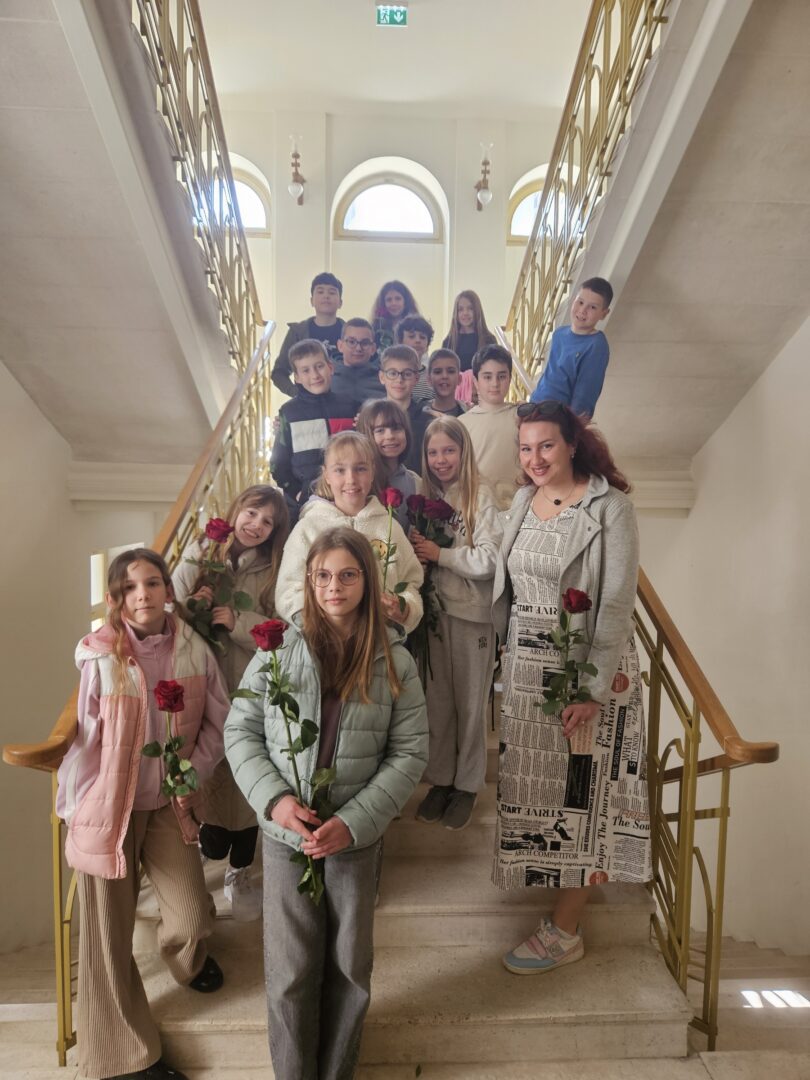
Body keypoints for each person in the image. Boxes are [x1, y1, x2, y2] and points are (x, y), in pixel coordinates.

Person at [225, 527, 429, 1080]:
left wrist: (354, 822)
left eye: (347, 575)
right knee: (290, 970)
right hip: (287, 835)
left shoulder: (394, 660)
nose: (333, 587)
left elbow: (410, 752)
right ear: (308, 581)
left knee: (349, 967)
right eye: (322, 576)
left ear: (367, 580)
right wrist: (275, 802)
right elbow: (240, 732)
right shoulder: (277, 650)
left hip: (353, 840)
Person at [56, 549, 230, 1080]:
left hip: (168, 806)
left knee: (192, 917)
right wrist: (76, 808)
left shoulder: (195, 651)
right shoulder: (101, 657)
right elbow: (85, 740)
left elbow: (218, 723)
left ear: (167, 590)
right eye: (130, 588)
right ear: (117, 598)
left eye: (152, 583)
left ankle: (187, 961)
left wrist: (191, 773)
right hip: (110, 809)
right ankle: (125, 1058)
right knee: (107, 937)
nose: (143, 595)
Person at [491, 400, 651, 975]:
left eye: (546, 445)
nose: (534, 458)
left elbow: (616, 601)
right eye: (525, 448)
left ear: (572, 444)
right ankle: (555, 893)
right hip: (527, 674)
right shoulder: (521, 501)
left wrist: (592, 689)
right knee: (539, 792)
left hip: (583, 671)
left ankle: (565, 929)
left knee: (587, 796)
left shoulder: (610, 508)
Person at [172, 486, 289, 921]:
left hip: (247, 685)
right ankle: (210, 845)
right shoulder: (203, 555)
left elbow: (283, 627)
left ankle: (240, 869)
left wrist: (239, 621)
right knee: (209, 770)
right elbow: (172, 607)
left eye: (268, 521)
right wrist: (194, 601)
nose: (256, 525)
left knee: (246, 775)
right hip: (203, 683)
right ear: (236, 510)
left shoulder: (274, 568)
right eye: (252, 513)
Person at [410, 417, 502, 832]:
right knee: (438, 703)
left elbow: (491, 559)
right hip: (434, 613)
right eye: (433, 452)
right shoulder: (426, 496)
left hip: (471, 615)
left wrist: (440, 555)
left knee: (469, 704)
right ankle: (441, 779)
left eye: (449, 450)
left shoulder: (480, 495)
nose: (441, 459)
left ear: (463, 452)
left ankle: (467, 785)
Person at [275, 431, 424, 635]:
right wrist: (322, 623)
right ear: (326, 475)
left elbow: (412, 583)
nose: (351, 479)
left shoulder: (389, 527)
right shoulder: (308, 528)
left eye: (360, 469)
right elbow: (288, 591)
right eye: (340, 470)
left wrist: (404, 610)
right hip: (324, 641)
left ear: (372, 472)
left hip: (380, 640)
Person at [270, 339, 356, 525]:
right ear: (297, 378)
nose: (315, 375)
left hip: (346, 498)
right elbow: (278, 463)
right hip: (305, 504)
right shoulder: (289, 413)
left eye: (319, 366)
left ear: (330, 367)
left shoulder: (349, 406)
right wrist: (295, 491)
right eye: (306, 370)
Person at [529, 277, 613, 419]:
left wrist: (574, 427)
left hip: (559, 418)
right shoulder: (559, 334)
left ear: (604, 313)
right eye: (580, 302)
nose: (583, 310)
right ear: (574, 300)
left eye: (592, 307)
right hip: (535, 406)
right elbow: (549, 375)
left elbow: (585, 395)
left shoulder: (596, 346)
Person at [459, 344, 520, 511]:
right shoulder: (462, 423)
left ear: (510, 378)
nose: (495, 383)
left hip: (517, 506)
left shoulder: (522, 418)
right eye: (487, 377)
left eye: (502, 376)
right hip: (477, 508)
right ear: (475, 381)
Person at [271, 272, 345, 398]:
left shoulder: (350, 334)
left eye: (332, 292)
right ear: (312, 301)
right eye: (320, 292)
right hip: (308, 403)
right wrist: (296, 393)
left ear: (340, 302)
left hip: (343, 402)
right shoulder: (297, 332)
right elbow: (279, 372)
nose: (326, 296)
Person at [356, 398, 421, 531]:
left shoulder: (415, 481)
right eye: (380, 430)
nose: (390, 436)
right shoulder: (358, 481)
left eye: (396, 428)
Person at [378, 345, 432, 475]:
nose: (399, 380)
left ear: (416, 378)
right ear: (382, 377)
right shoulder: (372, 417)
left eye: (407, 374)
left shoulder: (427, 420)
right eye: (392, 373)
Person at [330, 317, 386, 408]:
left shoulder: (385, 379)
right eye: (352, 342)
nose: (358, 348)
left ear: (373, 349)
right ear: (340, 346)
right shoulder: (326, 377)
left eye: (365, 343)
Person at [442, 290, 497, 374]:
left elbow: (494, 369)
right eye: (460, 309)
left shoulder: (489, 340)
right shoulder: (448, 341)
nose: (465, 313)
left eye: (470, 308)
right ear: (456, 313)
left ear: (477, 310)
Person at [370, 279, 420, 353]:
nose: (393, 303)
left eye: (398, 299)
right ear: (383, 303)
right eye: (389, 300)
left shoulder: (417, 326)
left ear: (406, 302)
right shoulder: (377, 328)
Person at [395, 315, 435, 404]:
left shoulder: (432, 377)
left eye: (422, 337)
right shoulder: (393, 375)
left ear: (428, 345)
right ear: (400, 342)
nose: (418, 340)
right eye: (411, 336)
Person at [425, 348, 467, 418]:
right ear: (429, 380)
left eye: (451, 371)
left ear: (459, 379)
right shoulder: (417, 414)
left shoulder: (467, 415)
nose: (444, 376)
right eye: (438, 372)